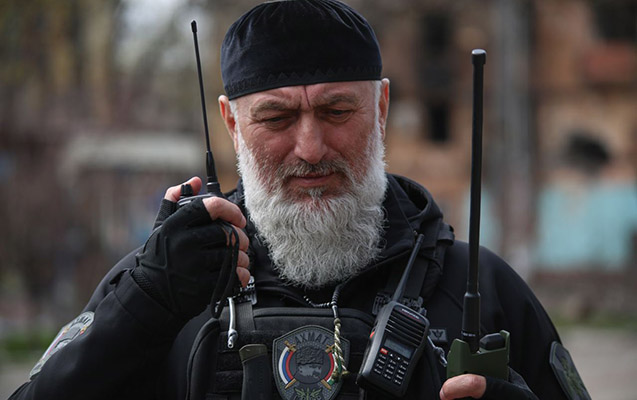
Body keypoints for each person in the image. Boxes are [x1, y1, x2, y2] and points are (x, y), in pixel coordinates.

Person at [10, 1, 588, 399]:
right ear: (231, 124)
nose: (310, 148)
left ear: (381, 108)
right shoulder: (166, 288)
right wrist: (141, 305)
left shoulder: (483, 287)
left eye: (337, 111)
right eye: (276, 118)